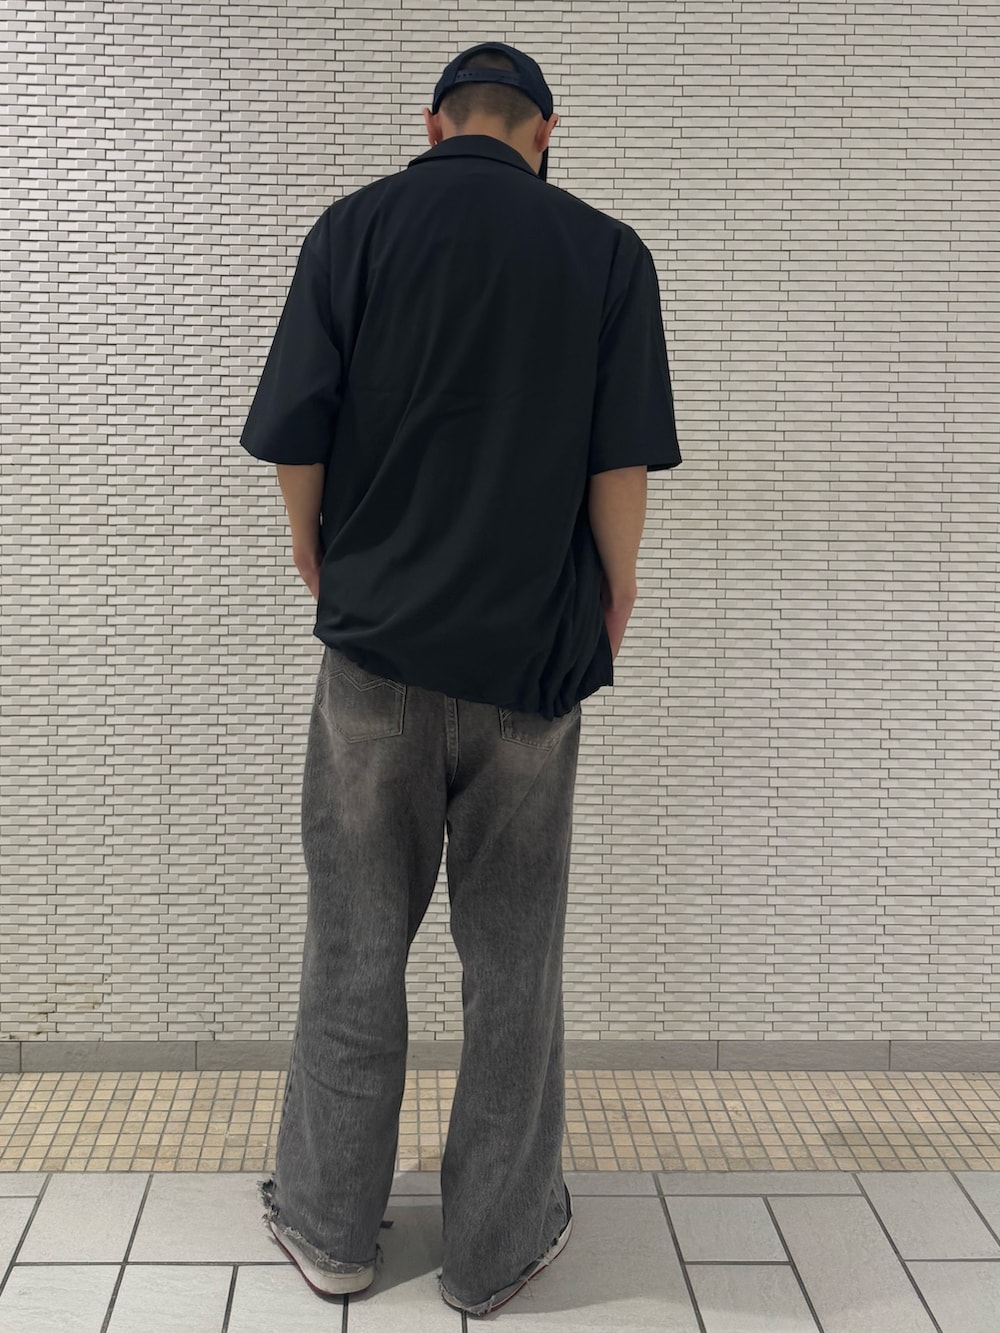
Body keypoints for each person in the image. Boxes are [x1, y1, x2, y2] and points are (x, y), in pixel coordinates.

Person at [240, 40, 682, 1319]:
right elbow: (617, 465)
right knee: (514, 960)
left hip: (373, 648)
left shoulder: (352, 231)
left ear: (435, 126)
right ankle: (494, 1249)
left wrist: (315, 554)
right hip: (531, 659)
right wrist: (615, 593)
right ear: (546, 133)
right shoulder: (606, 253)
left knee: (353, 939)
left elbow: (298, 433)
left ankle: (330, 1229)